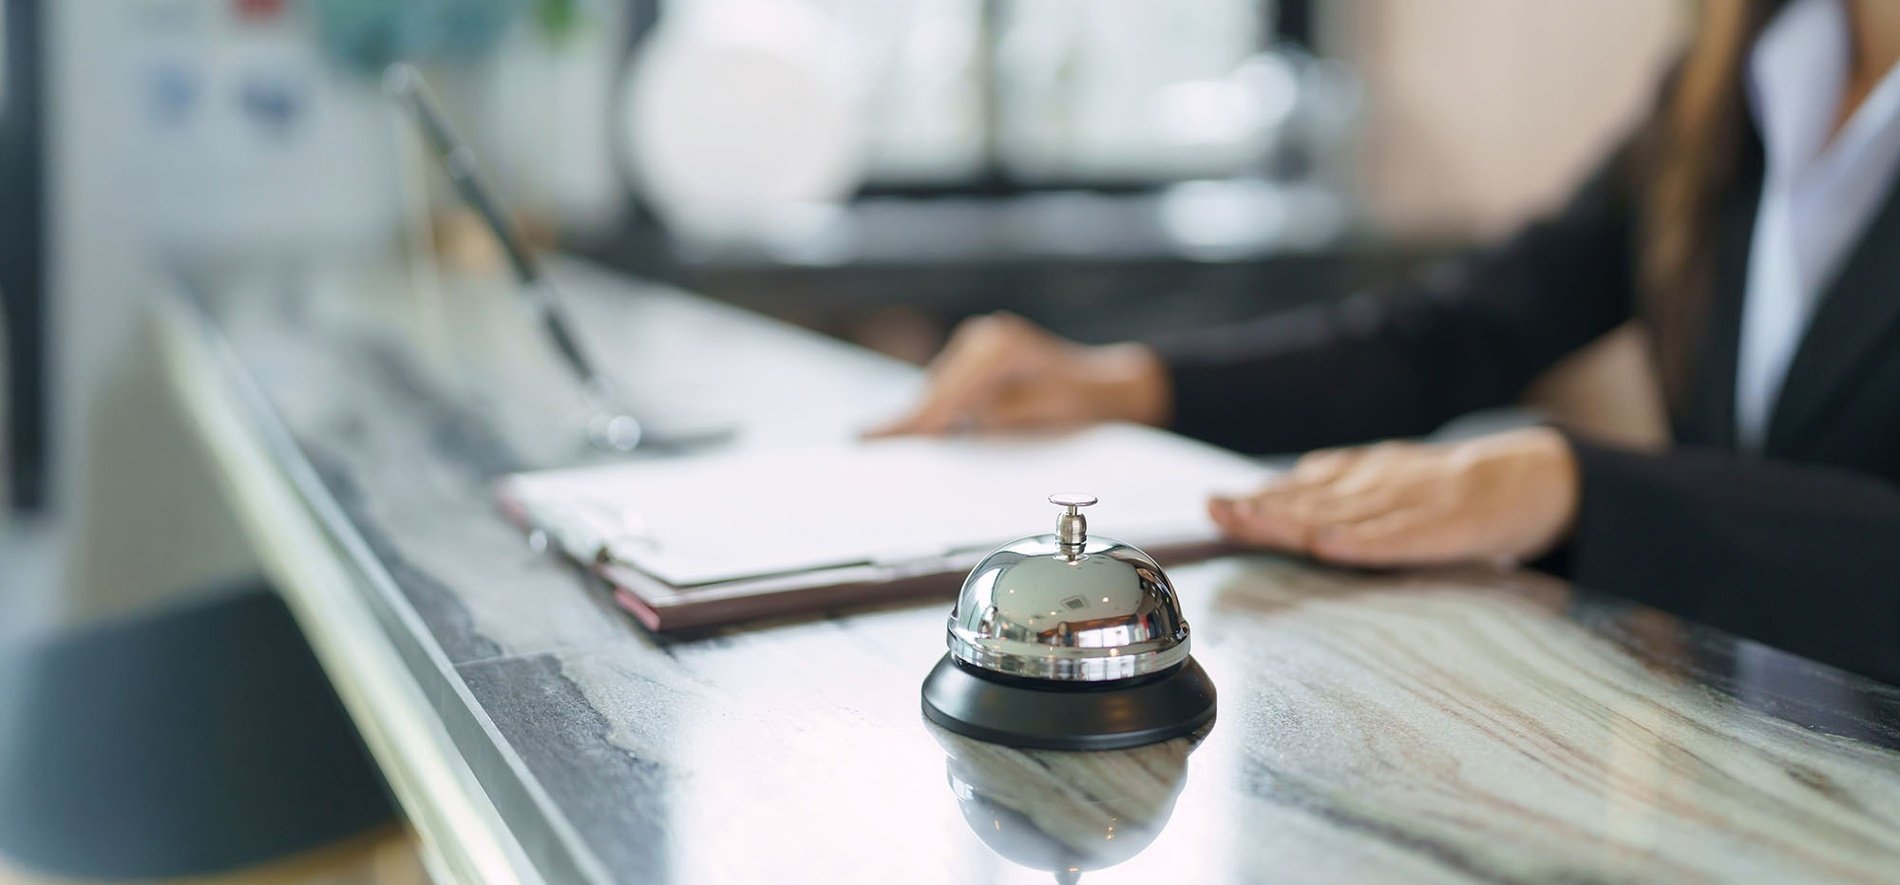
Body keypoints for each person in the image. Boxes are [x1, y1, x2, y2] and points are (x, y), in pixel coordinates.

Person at [872, 0, 1900, 683]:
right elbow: (1455, 334)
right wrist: (1121, 383)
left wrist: (1584, 485)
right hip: (1752, 731)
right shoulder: (1736, 76)